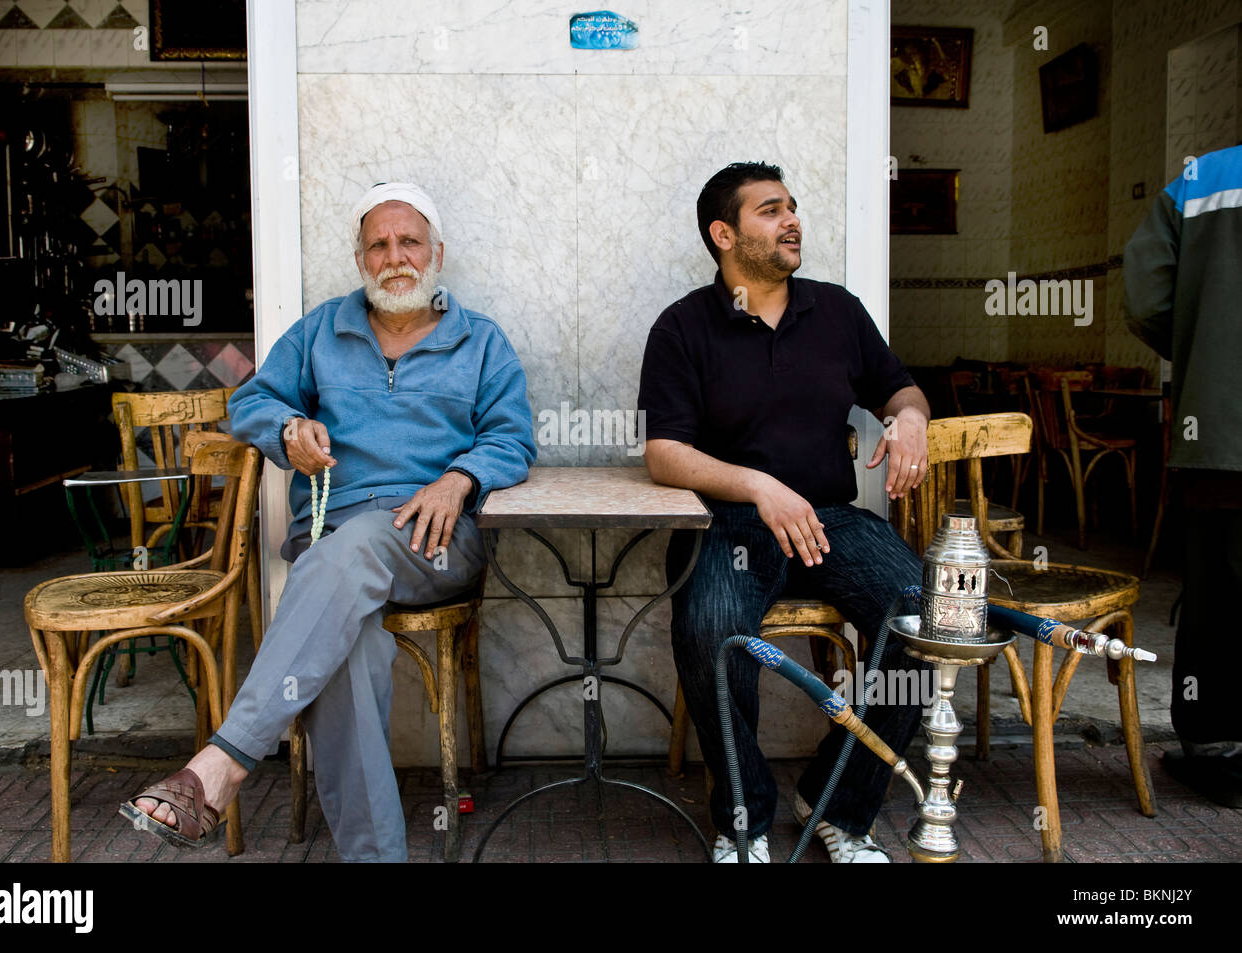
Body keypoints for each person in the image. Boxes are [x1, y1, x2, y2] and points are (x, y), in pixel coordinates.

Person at [120, 182, 537, 860]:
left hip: (434, 541)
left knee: (356, 549)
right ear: (360, 257)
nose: (395, 256)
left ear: (437, 254)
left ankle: (224, 761)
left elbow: (512, 438)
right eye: (379, 244)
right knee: (346, 650)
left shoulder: (480, 341)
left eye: (409, 242)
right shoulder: (323, 329)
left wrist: (459, 478)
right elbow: (253, 400)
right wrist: (288, 428)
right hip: (335, 544)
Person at [638, 161, 932, 862]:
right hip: (729, 524)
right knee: (711, 626)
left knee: (921, 615)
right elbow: (664, 453)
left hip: (832, 517)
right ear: (725, 234)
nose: (792, 219)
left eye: (792, 206)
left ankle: (840, 802)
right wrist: (757, 485)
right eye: (770, 210)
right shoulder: (683, 327)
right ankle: (744, 825)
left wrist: (912, 419)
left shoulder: (835, 311)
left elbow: (900, 390)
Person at [1123, 143, 1242, 807]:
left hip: (1218, 431)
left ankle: (1217, 753)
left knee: (1215, 598)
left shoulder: (1202, 179)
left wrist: (1202, 350)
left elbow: (1144, 299)